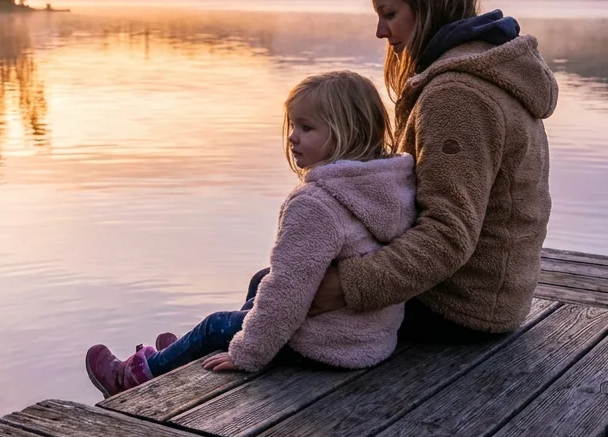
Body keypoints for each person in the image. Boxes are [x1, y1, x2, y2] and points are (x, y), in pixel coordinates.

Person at [84, 71, 416, 397]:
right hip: (372, 338)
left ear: (347, 133)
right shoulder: (389, 185)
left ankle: (135, 375)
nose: (292, 137)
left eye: (307, 127)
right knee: (262, 279)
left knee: (215, 325)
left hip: (328, 347)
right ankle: (188, 351)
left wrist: (248, 353)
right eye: (293, 126)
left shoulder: (315, 205)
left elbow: (286, 295)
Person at [305, 0, 558, 343]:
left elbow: (448, 234)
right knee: (289, 277)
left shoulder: (457, 95)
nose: (380, 31)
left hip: (459, 309)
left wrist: (345, 285)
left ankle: (188, 365)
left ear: (428, 6)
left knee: (278, 285)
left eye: (389, 14)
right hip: (490, 298)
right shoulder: (486, 67)